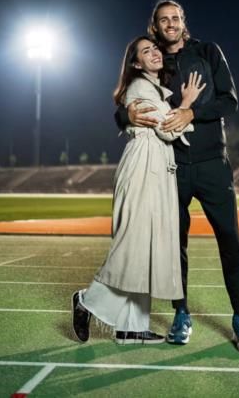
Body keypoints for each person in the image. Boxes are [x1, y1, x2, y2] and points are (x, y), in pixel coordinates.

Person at [115, 0, 239, 352]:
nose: (170, 23)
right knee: (173, 245)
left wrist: (190, 111)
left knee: (230, 238)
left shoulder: (208, 52)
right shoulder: (154, 60)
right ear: (155, 25)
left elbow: (230, 101)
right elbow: (127, 98)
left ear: (184, 21)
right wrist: (125, 116)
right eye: (163, 19)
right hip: (172, 167)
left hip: (213, 163)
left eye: (176, 18)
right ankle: (181, 313)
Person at [71, 35, 205, 345]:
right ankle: (87, 300)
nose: (155, 53)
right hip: (142, 168)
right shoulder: (139, 88)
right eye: (146, 51)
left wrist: (178, 104)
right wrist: (186, 104)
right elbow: (167, 129)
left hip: (156, 168)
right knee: (133, 244)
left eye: (155, 48)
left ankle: (131, 327)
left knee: (146, 247)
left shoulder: (155, 90)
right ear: (136, 62)